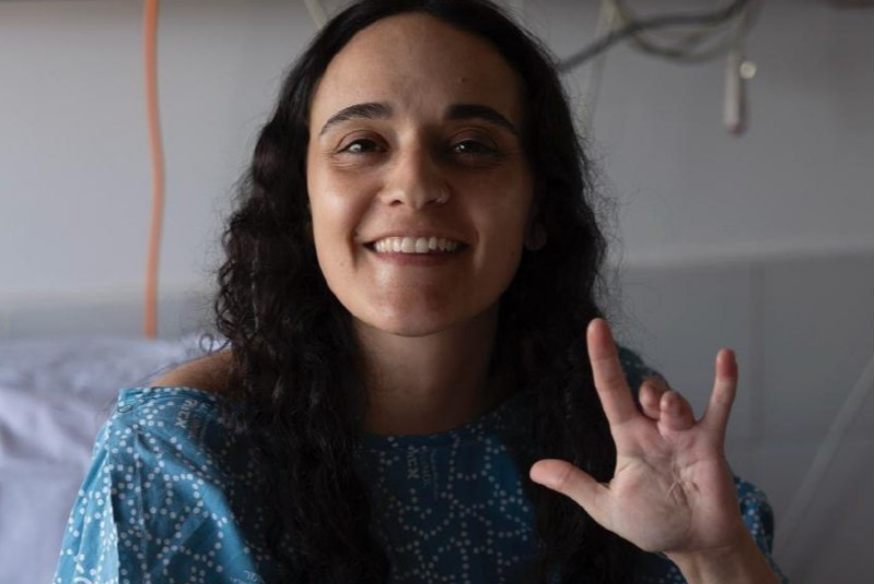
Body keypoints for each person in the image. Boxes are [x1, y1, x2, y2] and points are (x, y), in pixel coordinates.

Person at [52, 1, 788, 583]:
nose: (414, 186)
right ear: (301, 203)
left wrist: (713, 554)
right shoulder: (181, 458)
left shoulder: (607, 421)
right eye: (361, 145)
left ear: (538, 207)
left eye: (470, 146)